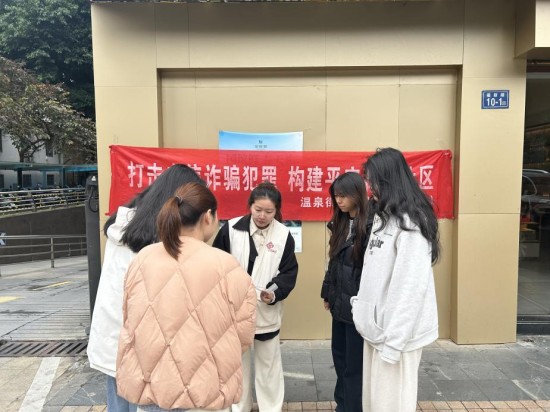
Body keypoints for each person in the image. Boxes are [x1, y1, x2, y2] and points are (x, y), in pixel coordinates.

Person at [116, 182, 257, 411]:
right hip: (204, 391)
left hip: (152, 386)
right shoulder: (227, 265)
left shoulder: (142, 259)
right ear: (208, 216)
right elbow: (244, 333)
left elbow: (128, 318)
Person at [87, 164, 203, 412]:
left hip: (113, 338)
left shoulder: (124, 226)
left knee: (120, 404)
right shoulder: (159, 243)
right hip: (144, 345)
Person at [351, 148, 440, 412]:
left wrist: (393, 343)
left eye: (374, 182)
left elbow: (410, 287)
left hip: (395, 338)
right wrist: (361, 309)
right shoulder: (383, 215)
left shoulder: (412, 223)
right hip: (376, 330)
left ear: (389, 180)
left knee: (391, 405)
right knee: (374, 403)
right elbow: (373, 272)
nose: (370, 189)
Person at [212, 181, 299, 412]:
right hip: (234, 311)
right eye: (258, 209)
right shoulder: (230, 229)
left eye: (269, 211)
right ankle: (239, 408)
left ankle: (271, 408)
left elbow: (289, 272)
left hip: (266, 310)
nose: (262, 216)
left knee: (268, 365)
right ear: (249, 206)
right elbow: (216, 266)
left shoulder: (283, 235)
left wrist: (274, 292)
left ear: (276, 210)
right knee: (237, 366)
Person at [320, 172, 372, 412]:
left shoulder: (371, 225)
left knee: (354, 365)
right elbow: (333, 262)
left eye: (343, 195)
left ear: (357, 194)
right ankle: (342, 405)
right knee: (340, 359)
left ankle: (352, 407)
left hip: (357, 308)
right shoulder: (340, 223)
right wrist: (327, 291)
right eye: (336, 196)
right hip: (339, 305)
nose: (338, 201)